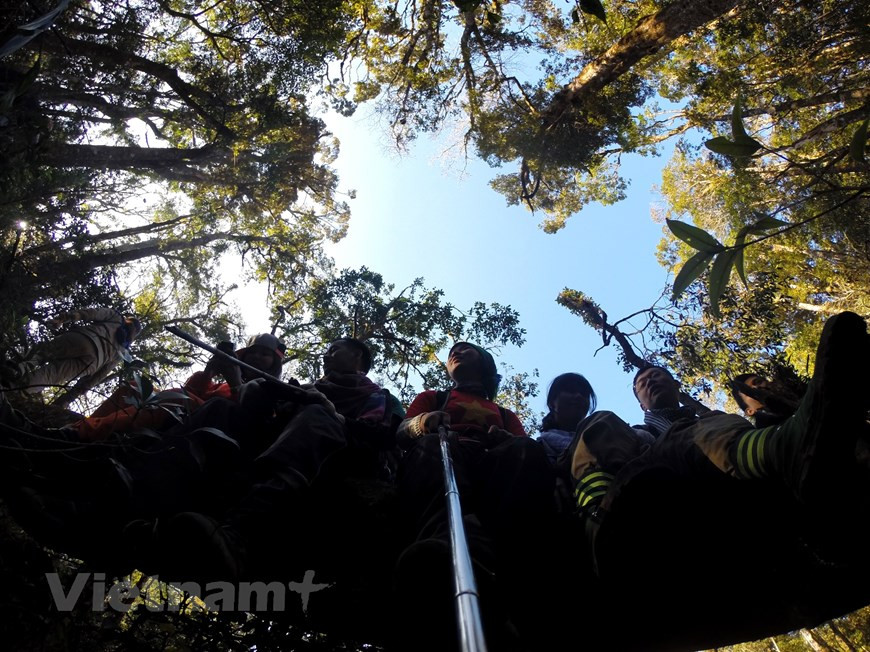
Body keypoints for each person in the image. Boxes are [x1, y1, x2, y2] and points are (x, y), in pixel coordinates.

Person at [152, 337, 405, 583]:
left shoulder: (379, 396)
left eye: (334, 350)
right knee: (221, 408)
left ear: (357, 355)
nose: (326, 356)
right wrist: (256, 391)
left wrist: (332, 414)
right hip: (284, 443)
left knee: (316, 415)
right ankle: (152, 499)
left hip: (337, 455)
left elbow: (384, 437)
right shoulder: (310, 388)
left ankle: (239, 535)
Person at [393, 341, 554, 651]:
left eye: (467, 349)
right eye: (453, 351)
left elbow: (527, 451)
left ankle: (510, 565)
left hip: (492, 462)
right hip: (444, 449)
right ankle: (440, 549)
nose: (456, 352)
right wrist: (422, 423)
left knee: (524, 450)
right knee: (429, 448)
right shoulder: (433, 398)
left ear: (485, 363)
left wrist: (505, 439)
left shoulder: (504, 414)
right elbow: (401, 433)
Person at [5, 308, 141, 405]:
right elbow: (102, 373)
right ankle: (15, 391)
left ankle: (17, 368)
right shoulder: (123, 350)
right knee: (51, 375)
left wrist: (64, 318)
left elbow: (91, 313)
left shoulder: (117, 317)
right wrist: (82, 389)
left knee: (42, 353)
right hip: (91, 363)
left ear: (128, 319)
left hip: (84, 338)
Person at [538, 372, 597, 463]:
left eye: (584, 394)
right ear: (552, 403)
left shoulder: (599, 440)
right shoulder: (535, 450)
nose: (579, 396)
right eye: (571, 391)